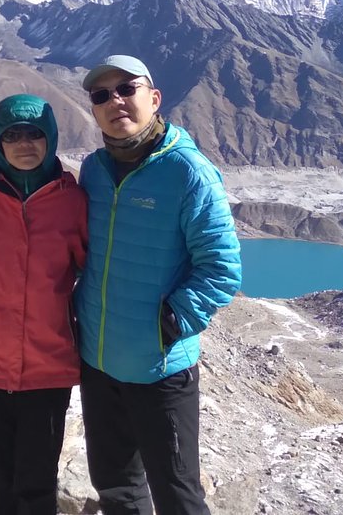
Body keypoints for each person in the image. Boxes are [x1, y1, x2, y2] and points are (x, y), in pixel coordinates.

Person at [75, 55, 242, 515]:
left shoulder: (189, 172)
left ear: (154, 97)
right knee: (116, 487)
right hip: (99, 362)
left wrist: (171, 322)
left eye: (127, 89)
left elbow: (222, 268)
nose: (116, 101)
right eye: (101, 95)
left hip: (160, 369)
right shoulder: (93, 170)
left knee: (178, 496)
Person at [0, 94, 88, 514]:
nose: (25, 144)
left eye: (35, 134)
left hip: (48, 365)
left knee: (37, 484)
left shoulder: (74, 200)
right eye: (12, 135)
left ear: (50, 139)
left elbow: (95, 272)